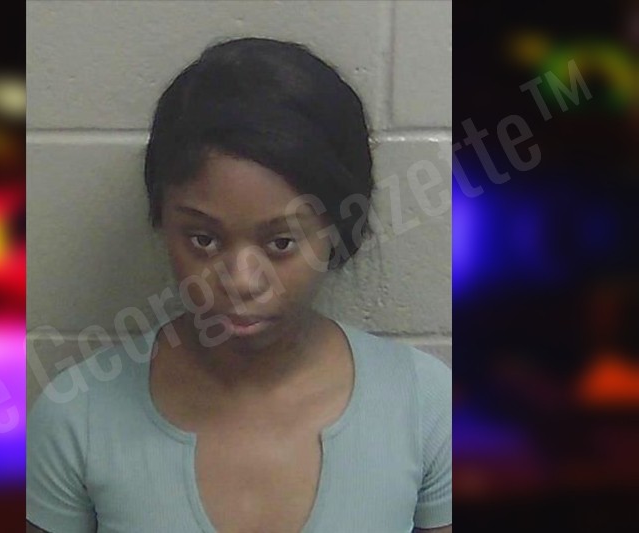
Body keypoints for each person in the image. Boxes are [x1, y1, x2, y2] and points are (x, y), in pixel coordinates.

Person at [27, 37, 451, 533]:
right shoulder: (77, 419)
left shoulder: (425, 407)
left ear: (337, 230)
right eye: (203, 240)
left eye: (281, 243)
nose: (241, 281)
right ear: (163, 221)